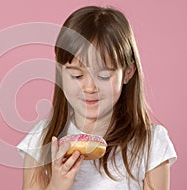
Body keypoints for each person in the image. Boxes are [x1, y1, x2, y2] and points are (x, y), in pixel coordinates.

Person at [17, 6, 177, 190]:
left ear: (128, 73)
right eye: (77, 76)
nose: (90, 88)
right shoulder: (41, 140)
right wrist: (57, 185)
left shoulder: (151, 143)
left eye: (103, 76)